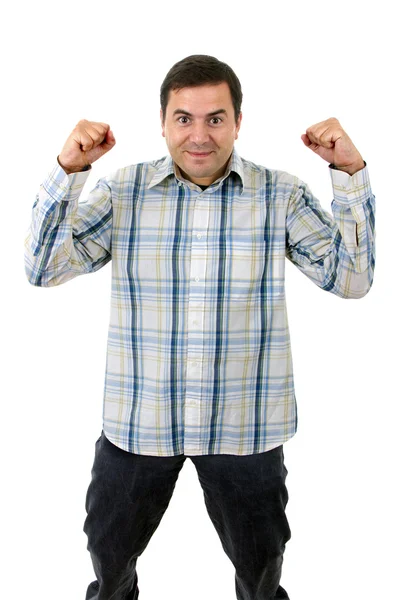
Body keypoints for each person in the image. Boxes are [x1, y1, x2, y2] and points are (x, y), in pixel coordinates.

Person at [24, 54, 375, 600]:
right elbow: (42, 269)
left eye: (215, 118)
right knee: (108, 558)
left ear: (238, 122)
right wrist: (68, 172)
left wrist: (350, 174)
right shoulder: (123, 192)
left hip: (246, 425)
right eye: (184, 118)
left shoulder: (278, 194)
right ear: (163, 122)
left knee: (262, 568)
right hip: (140, 421)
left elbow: (351, 280)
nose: (200, 135)